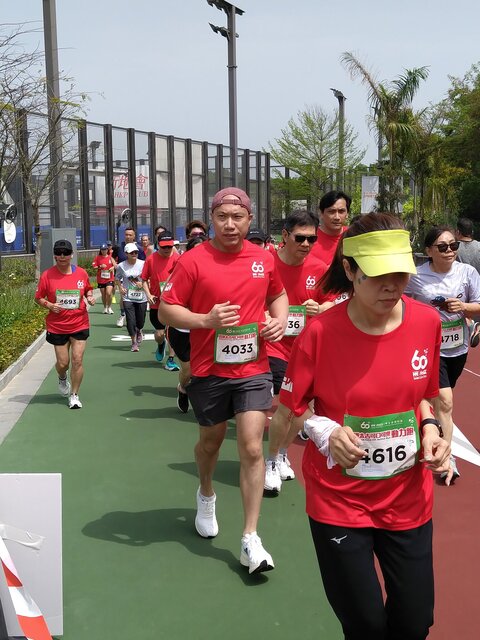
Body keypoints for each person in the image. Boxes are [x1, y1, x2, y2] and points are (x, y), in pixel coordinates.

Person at [278, 213, 450, 640]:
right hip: (339, 501)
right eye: (378, 275)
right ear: (351, 269)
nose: (392, 286)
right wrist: (323, 431)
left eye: (400, 274)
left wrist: (431, 430)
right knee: (366, 626)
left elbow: (423, 397)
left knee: (414, 623)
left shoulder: (426, 322)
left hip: (407, 498)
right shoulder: (320, 333)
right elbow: (292, 410)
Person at [159, 186, 288, 574]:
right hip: (209, 371)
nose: (230, 225)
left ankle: (250, 537)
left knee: (250, 446)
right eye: (222, 217)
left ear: (250, 220)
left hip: (253, 368)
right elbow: (166, 310)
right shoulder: (193, 261)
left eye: (237, 217)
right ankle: (206, 492)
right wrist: (205, 320)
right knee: (210, 443)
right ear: (212, 219)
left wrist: (279, 319)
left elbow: (278, 296)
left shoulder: (263, 259)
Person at [405, 226, 480, 484]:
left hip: (457, 347)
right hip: (427, 347)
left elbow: (478, 305)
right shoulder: (416, 276)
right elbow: (399, 302)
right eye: (443, 247)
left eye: (453, 245)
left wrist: (464, 306)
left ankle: (428, 427)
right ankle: (448, 457)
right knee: (445, 401)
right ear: (429, 251)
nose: (450, 250)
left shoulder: (467, 272)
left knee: (438, 400)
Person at [264, 210, 330, 494]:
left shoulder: (319, 268)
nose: (306, 244)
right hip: (274, 345)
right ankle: (269, 461)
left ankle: (281, 454)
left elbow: (334, 302)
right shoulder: (267, 263)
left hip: (307, 349)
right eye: (300, 238)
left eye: (311, 239)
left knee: (303, 409)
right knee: (286, 404)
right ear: (285, 235)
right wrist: (265, 317)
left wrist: (321, 307)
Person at [35, 239, 95, 409]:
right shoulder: (47, 275)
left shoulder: (81, 273)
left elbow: (88, 289)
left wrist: (90, 297)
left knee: (77, 360)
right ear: (54, 255)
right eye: (59, 253)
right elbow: (38, 298)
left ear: (71, 255)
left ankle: (74, 395)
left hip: (79, 323)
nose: (62, 256)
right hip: (58, 326)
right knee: (63, 364)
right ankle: (62, 377)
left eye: (66, 253)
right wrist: (50, 305)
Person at [166, 234, 208, 413]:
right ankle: (183, 388)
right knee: (188, 370)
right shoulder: (180, 270)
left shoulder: (217, 271)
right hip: (182, 330)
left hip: (206, 328)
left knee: (209, 369)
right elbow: (167, 303)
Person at [141, 229, 179, 365]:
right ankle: (160, 344)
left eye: (169, 246)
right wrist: (148, 294)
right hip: (156, 303)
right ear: (158, 245)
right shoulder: (151, 259)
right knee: (160, 334)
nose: (167, 249)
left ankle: (171, 359)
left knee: (171, 332)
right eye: (164, 247)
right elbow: (143, 279)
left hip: (174, 303)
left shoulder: (178, 259)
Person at [115, 243, 147, 352]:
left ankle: (139, 330)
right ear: (126, 254)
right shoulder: (121, 266)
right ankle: (134, 342)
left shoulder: (143, 264)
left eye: (136, 252)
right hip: (128, 297)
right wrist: (120, 288)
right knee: (130, 320)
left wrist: (143, 283)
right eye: (131, 252)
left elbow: (149, 277)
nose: (134, 254)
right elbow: (117, 278)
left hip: (141, 297)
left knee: (140, 321)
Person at [112, 227, 146, 328]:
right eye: (126, 234)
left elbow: (144, 263)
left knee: (135, 296)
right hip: (123, 274)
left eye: (130, 235)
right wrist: (115, 265)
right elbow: (112, 257)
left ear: (134, 236)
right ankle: (123, 315)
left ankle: (135, 317)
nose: (128, 236)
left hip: (136, 277)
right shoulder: (119, 246)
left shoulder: (138, 248)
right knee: (123, 296)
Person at [310, 190, 351, 265]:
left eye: (341, 211)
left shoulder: (354, 236)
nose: (337, 217)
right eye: (331, 211)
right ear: (321, 213)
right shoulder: (308, 239)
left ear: (347, 213)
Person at [92, 243, 115, 314]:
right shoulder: (97, 257)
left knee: (109, 293)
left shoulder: (110, 257)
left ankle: (109, 307)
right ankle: (105, 307)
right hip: (101, 279)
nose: (103, 251)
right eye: (102, 249)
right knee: (103, 294)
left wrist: (113, 267)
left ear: (107, 250)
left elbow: (116, 265)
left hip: (109, 278)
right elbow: (94, 266)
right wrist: (100, 266)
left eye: (105, 249)